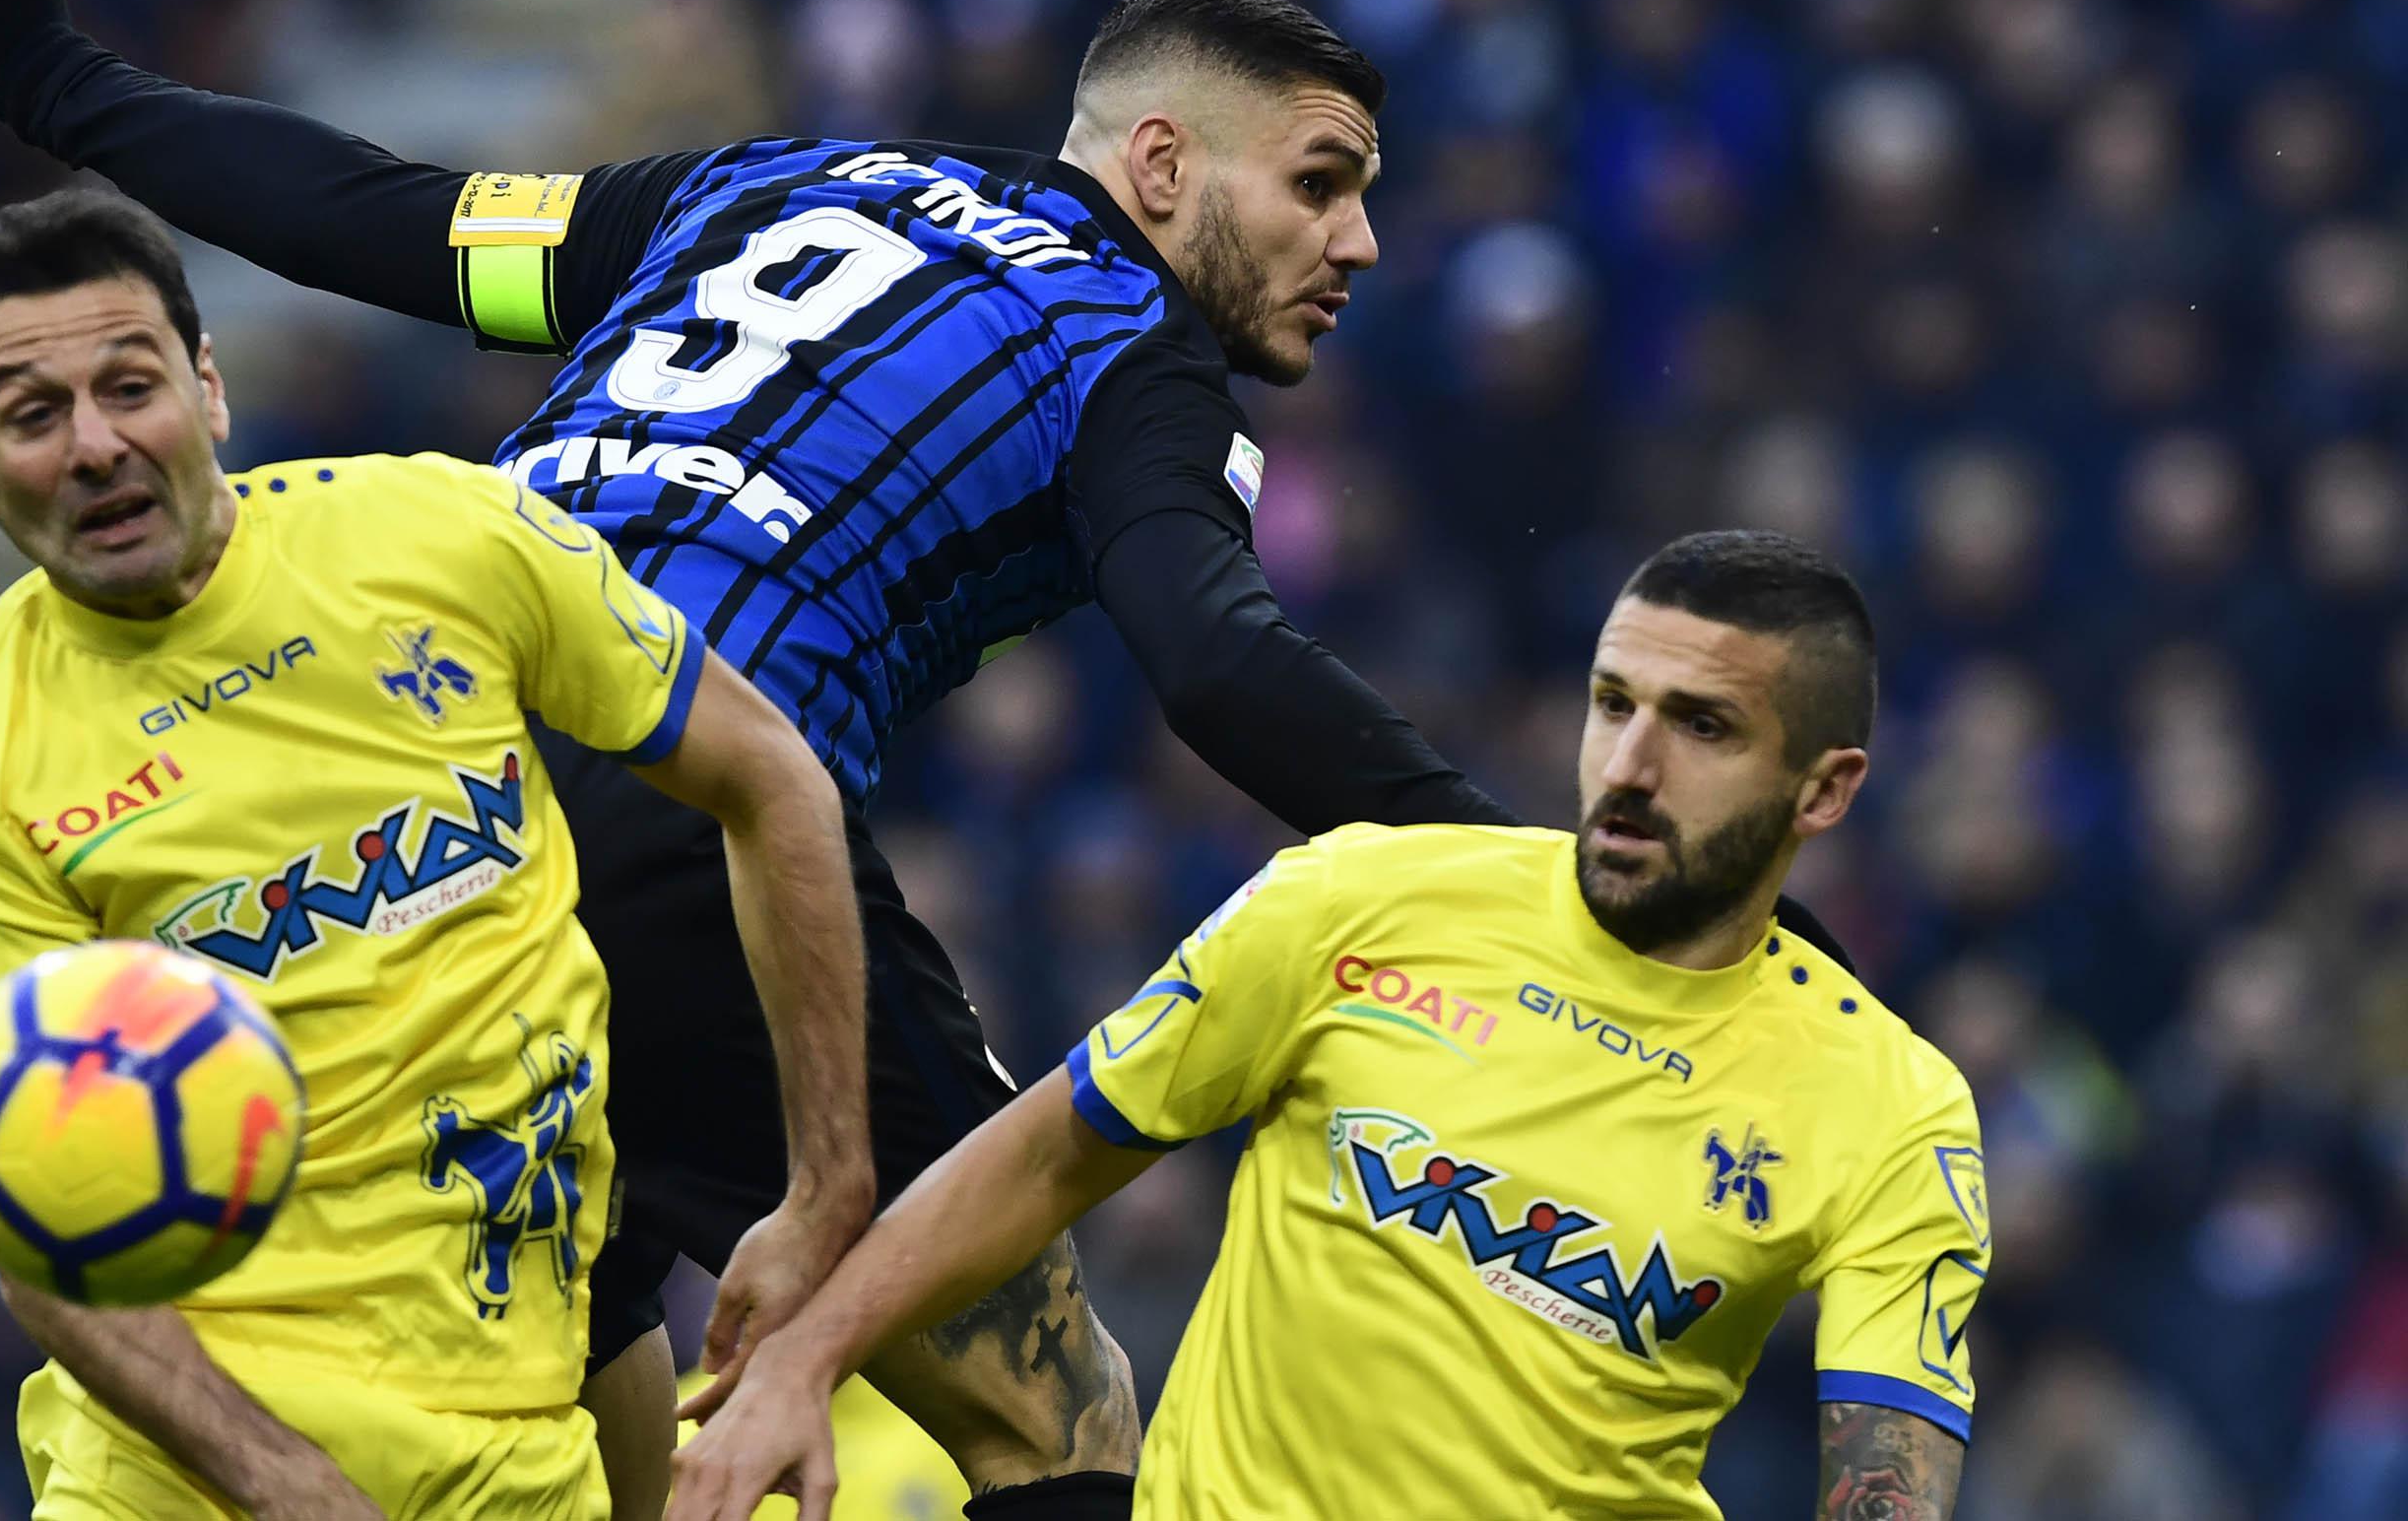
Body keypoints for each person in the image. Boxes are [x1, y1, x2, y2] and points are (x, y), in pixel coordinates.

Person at [0, 0, 1854, 1519]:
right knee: (1055, 1433)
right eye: (1321, 185)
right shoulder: (1124, 346)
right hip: (691, 812)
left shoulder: (779, 180)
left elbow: (399, 224)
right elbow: (1220, 661)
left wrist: (51, 75)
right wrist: (1578, 885)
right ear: (1161, 165)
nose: (1361, 241)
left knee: (612, 1428)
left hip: (425, 803)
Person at [671, 531, 1990, 1521]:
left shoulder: (1890, 1105)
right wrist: (811, 1355)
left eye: (1702, 727)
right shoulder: (1364, 893)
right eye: (1611, 703)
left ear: (1824, 791)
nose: (1631, 768)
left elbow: (1887, 1466)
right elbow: (1047, 1156)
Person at [0, 187, 864, 1519]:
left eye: (132, 387)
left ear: (209, 387)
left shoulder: (439, 540)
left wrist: (829, 1181)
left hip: (510, 1446)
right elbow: (38, 1226)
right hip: (184, 1480)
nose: (97, 446)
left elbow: (772, 780)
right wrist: (279, 1479)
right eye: (32, 414)